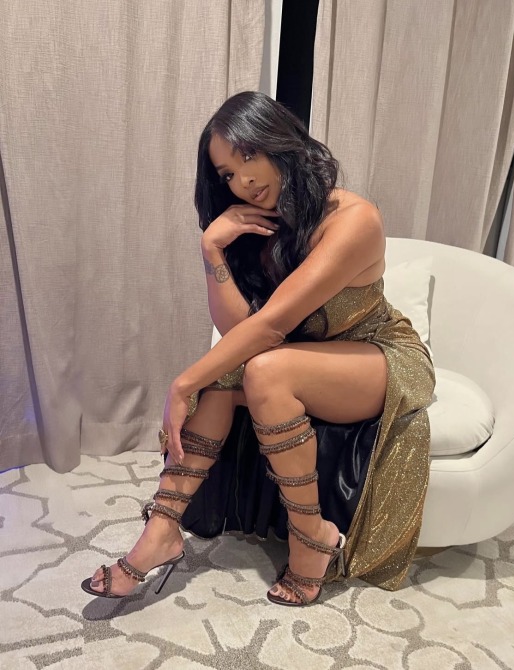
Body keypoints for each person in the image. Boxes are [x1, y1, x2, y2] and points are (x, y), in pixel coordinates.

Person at [81, 91, 435, 606]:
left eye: (249, 155)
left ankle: (313, 538)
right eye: (227, 173)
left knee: (261, 370)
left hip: (380, 356)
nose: (242, 180)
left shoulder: (353, 219)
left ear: (281, 143)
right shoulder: (263, 223)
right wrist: (212, 248)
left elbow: (270, 327)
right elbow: (238, 329)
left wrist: (183, 383)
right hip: (302, 360)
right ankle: (161, 531)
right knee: (228, 375)